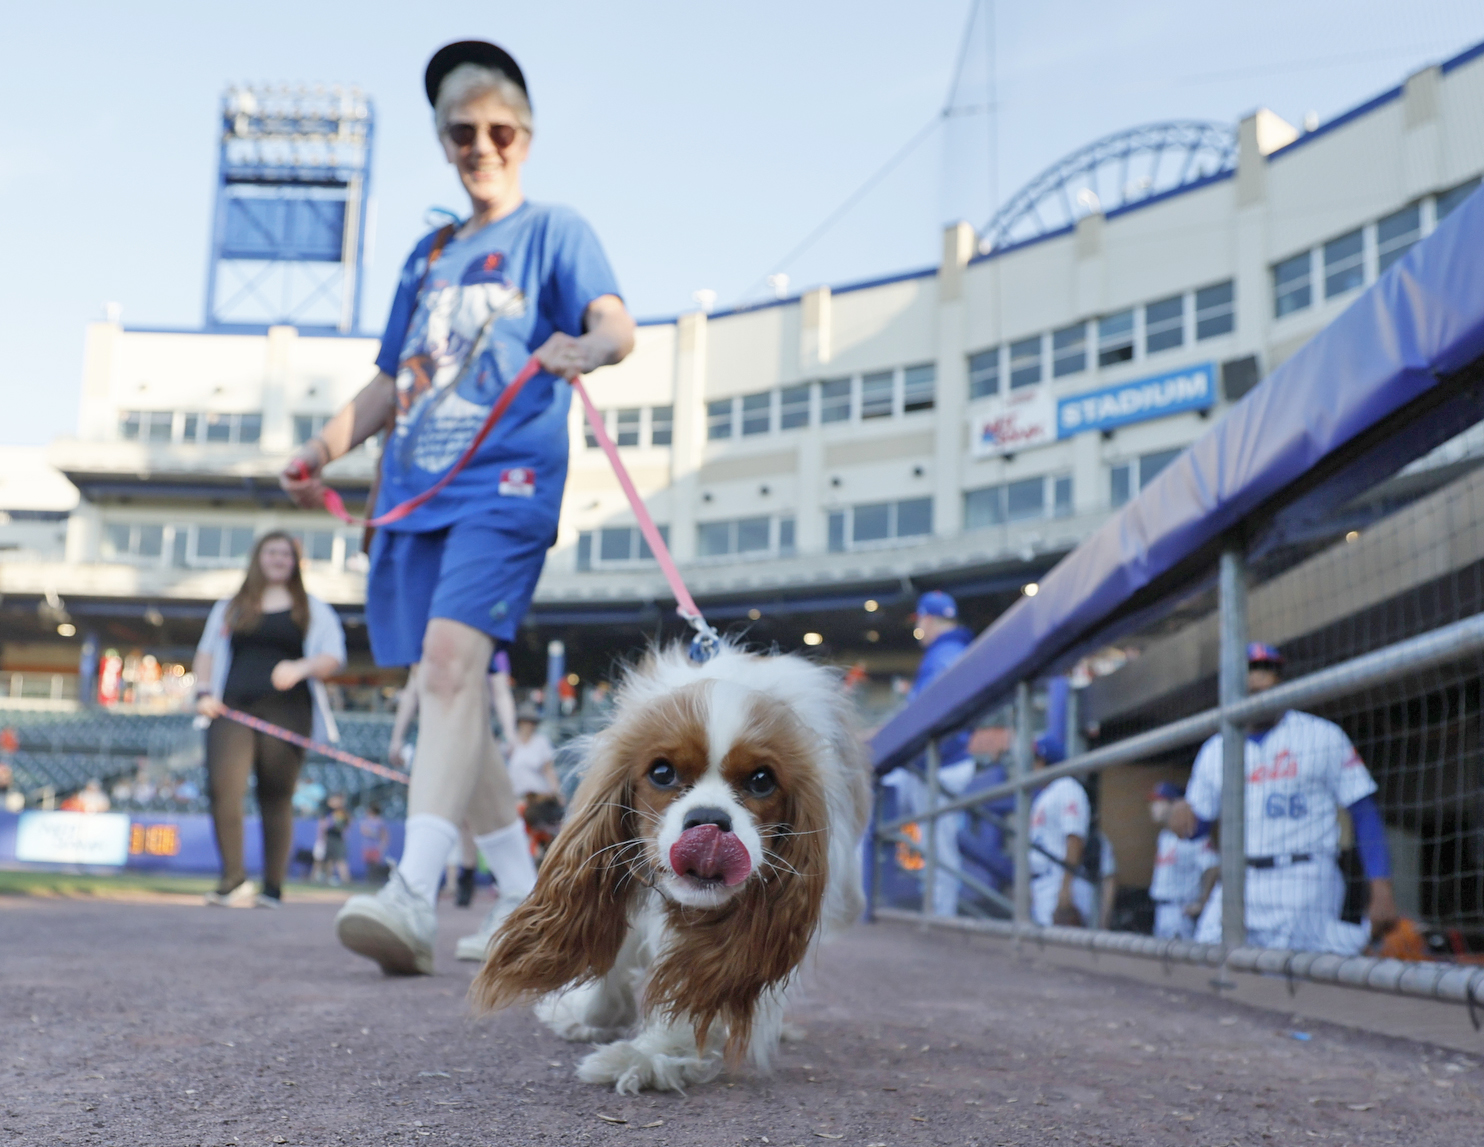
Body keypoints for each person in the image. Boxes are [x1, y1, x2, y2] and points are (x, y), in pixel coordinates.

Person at [282, 40, 635, 975]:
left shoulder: (555, 230)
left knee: (446, 668)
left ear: (525, 135)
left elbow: (615, 322)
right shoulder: (429, 254)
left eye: (498, 129)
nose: (481, 144)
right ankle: (530, 899)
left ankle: (412, 892)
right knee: (456, 699)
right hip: (414, 495)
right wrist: (320, 448)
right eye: (461, 131)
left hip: (505, 481)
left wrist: (588, 348)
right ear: (443, 142)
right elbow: (388, 383)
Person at [1171, 643, 1398, 953]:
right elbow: (1196, 827)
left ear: (1281, 683)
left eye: (1268, 673)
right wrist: (1181, 816)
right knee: (1209, 963)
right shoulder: (1216, 748)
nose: (1258, 682)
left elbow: (1363, 812)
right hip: (1240, 878)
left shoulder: (1321, 734)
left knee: (1289, 981)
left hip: (1304, 875)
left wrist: (1381, 885)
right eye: (1250, 674)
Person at [193, 531, 348, 909]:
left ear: (296, 563)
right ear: (258, 558)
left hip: (288, 711)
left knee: (276, 794)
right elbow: (206, 653)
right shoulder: (231, 606)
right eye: (272, 552)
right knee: (223, 788)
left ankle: (273, 887)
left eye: (286, 554)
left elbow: (334, 656)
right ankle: (232, 879)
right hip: (231, 707)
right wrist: (202, 692)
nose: (279, 559)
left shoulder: (312, 608)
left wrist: (301, 666)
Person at [881, 591, 976, 916]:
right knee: (898, 822)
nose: (918, 627)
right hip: (930, 763)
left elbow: (936, 715)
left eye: (920, 620)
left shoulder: (947, 652)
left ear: (929, 619)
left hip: (941, 763)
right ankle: (935, 911)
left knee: (939, 847)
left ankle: (941, 917)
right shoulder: (945, 651)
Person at [1028, 737, 1098, 927]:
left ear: (1044, 761)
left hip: (1060, 881)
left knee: (1063, 951)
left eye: (1036, 760)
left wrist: (1066, 888)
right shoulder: (1044, 795)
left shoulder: (1067, 787)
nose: (1034, 765)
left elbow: (1074, 839)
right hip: (1044, 883)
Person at [1147, 782, 1217, 939]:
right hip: (1161, 909)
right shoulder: (1164, 836)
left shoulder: (1192, 834)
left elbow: (1213, 867)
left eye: (1159, 801)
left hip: (1180, 911)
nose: (1153, 806)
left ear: (1174, 804)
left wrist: (1203, 903)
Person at [317, 793, 352, 886]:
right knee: (329, 859)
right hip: (329, 837)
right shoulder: (328, 812)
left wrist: (344, 831)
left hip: (337, 838)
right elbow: (322, 825)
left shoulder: (342, 812)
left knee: (340, 859)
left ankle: (346, 881)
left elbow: (347, 823)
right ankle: (328, 880)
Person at [360, 802, 391, 887]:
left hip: (376, 846)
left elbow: (384, 835)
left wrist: (383, 845)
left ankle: (376, 880)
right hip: (367, 846)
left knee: (376, 864)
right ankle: (370, 880)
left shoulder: (380, 821)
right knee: (369, 864)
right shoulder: (366, 820)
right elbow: (364, 831)